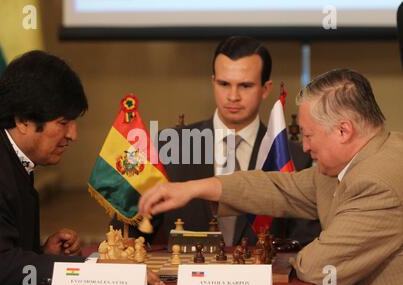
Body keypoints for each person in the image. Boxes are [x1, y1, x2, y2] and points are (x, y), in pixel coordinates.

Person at [138, 68, 403, 285]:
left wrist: (277, 259)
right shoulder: (368, 156)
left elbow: (318, 267)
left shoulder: (376, 184)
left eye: (309, 135)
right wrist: (193, 188)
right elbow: (279, 188)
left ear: (343, 131)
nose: (305, 146)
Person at [0, 51, 163, 285]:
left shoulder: (5, 153)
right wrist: (91, 270)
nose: (73, 135)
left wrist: (43, 255)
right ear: (23, 120)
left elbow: (3, 252)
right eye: (63, 122)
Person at [126, 36, 320, 247]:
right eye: (224, 84)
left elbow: (304, 245)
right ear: (213, 82)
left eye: (245, 86)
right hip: (182, 277)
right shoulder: (168, 147)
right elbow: (132, 234)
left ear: (266, 89)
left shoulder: (295, 158)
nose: (233, 96)